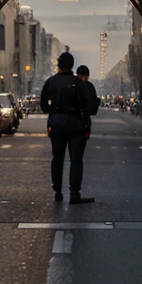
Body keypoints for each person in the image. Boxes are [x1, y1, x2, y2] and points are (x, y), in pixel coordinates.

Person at [41, 53, 95, 205]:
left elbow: (43, 105)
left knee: (57, 157)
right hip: (75, 122)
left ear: (59, 65)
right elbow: (89, 105)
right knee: (76, 159)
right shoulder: (78, 83)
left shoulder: (51, 81)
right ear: (72, 66)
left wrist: (54, 110)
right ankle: (74, 193)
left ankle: (57, 190)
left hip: (57, 121)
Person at [77, 64, 101, 140]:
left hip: (72, 118)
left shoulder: (73, 84)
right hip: (84, 119)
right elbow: (93, 106)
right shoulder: (90, 86)